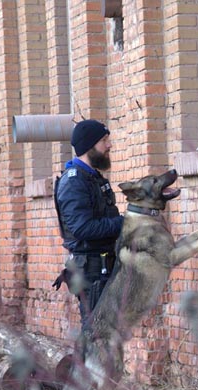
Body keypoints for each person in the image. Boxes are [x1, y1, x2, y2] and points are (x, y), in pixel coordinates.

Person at [53, 119, 123, 328]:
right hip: (91, 270)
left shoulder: (93, 178)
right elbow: (82, 228)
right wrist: (123, 223)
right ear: (89, 146)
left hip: (103, 265)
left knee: (107, 331)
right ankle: (84, 362)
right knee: (95, 332)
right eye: (104, 140)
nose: (109, 145)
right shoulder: (74, 182)